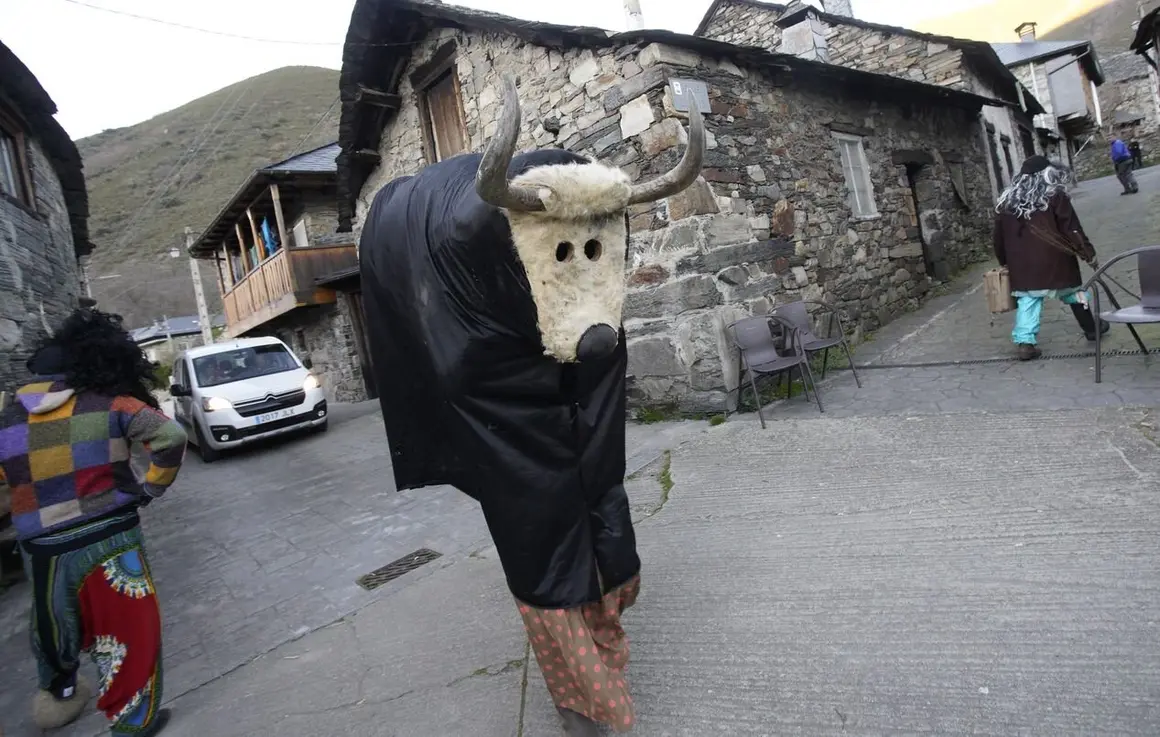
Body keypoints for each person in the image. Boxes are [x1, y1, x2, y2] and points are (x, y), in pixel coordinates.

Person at [0, 308, 187, 736]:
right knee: (128, 627)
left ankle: (60, 693)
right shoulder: (110, 402)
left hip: (43, 548)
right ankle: (133, 720)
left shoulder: (7, 418)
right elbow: (171, 437)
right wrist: (152, 487)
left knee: (54, 623)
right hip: (111, 536)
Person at [994, 155, 1109, 360]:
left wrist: (1004, 260)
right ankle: (1092, 328)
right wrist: (1088, 254)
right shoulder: (1055, 196)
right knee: (1074, 293)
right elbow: (1071, 229)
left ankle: (1026, 343)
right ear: (1047, 174)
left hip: (1023, 265)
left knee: (1028, 301)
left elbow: (998, 237)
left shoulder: (1006, 201)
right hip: (1057, 260)